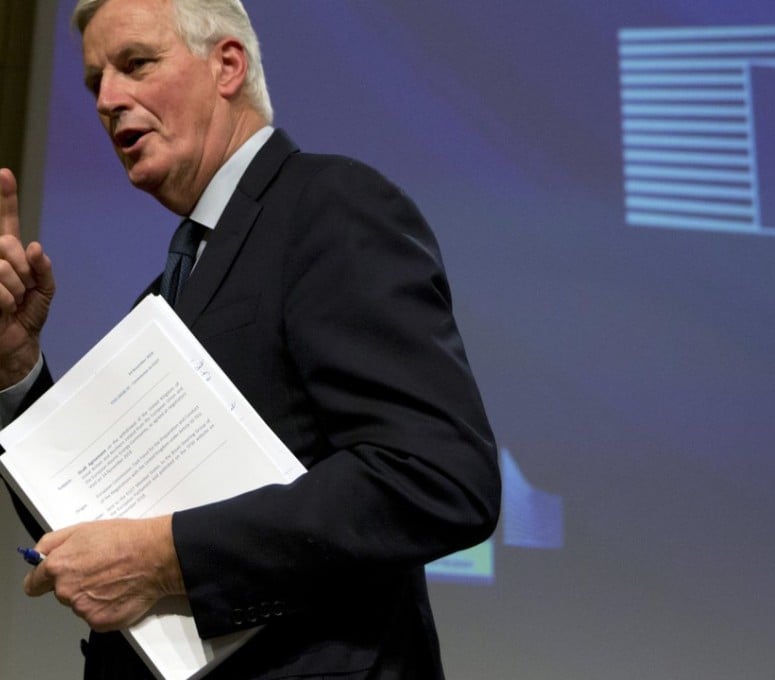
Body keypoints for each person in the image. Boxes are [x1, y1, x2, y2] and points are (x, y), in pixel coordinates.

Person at [0, 0, 501, 677]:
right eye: (95, 83)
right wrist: (15, 365)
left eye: (136, 64)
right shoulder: (170, 288)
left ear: (227, 65)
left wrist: (163, 558)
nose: (109, 99)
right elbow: (88, 533)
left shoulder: (329, 205)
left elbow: (438, 476)